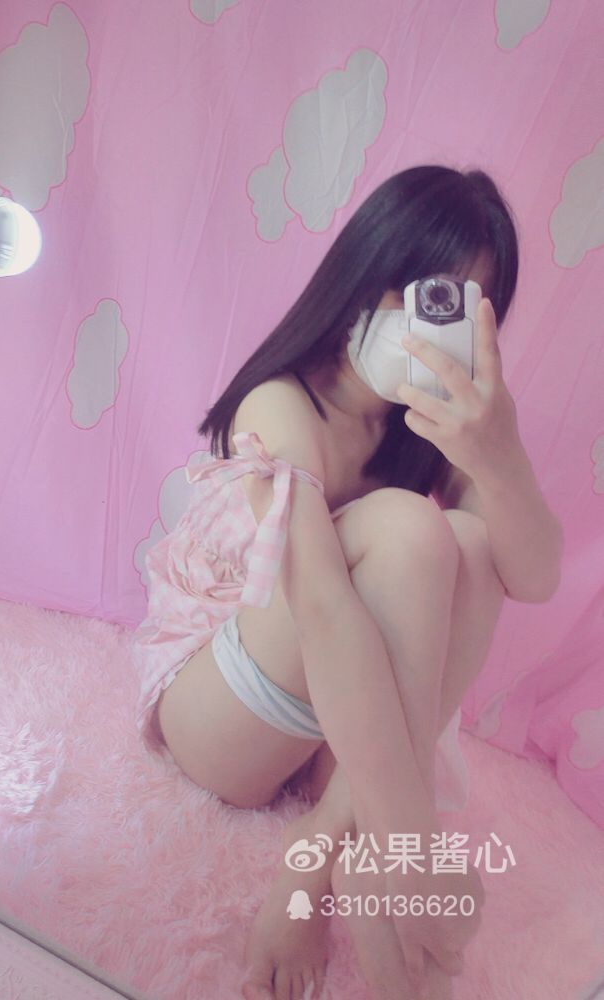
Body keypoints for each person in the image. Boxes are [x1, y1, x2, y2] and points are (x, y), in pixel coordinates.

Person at [131, 165, 563, 1000]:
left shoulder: (428, 428)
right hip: (218, 710)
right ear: (369, 272)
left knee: (473, 544)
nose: (429, 326)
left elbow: (533, 575)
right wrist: (418, 853)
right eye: (423, 293)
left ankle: (336, 843)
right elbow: (322, 607)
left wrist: (498, 453)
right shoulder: (281, 404)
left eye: (459, 309)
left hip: (330, 742)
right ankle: (380, 855)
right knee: (408, 528)